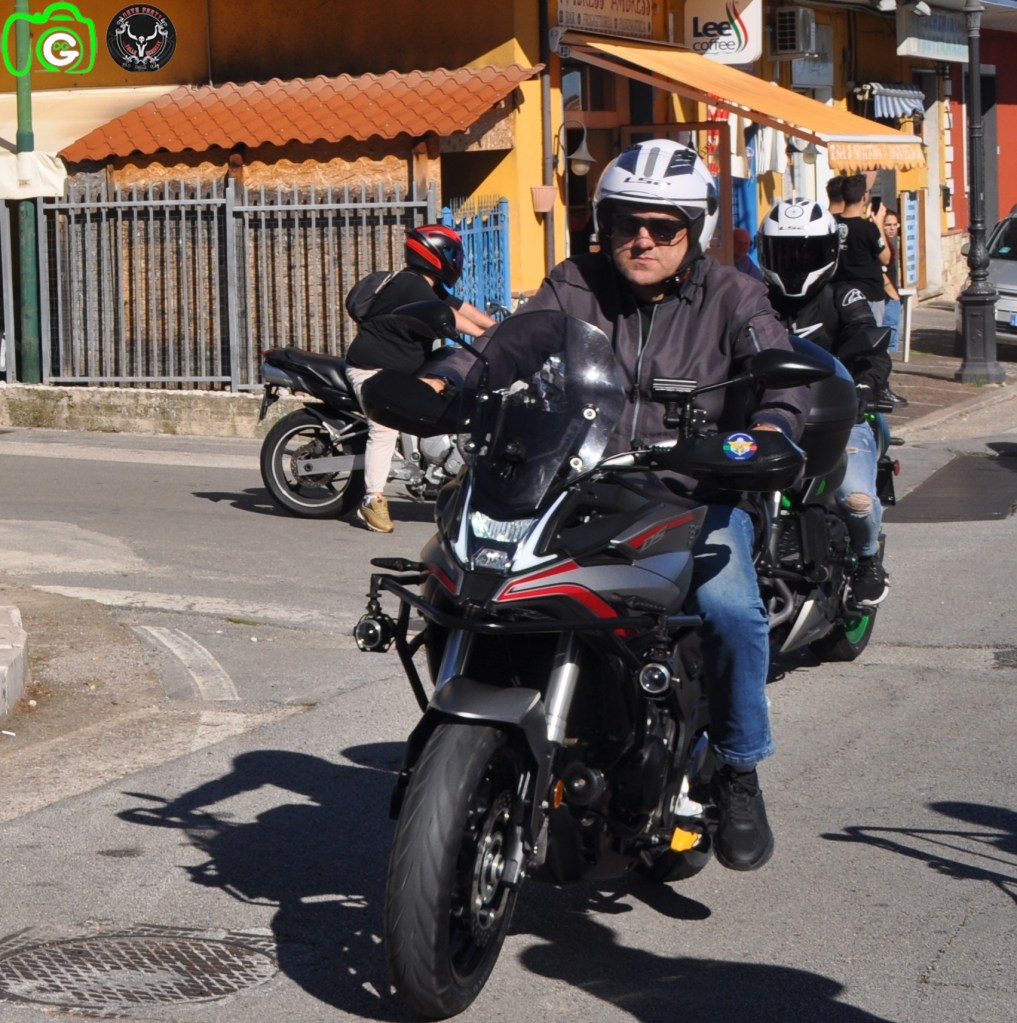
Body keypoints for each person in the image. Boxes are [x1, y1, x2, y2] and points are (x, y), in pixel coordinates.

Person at [417, 140, 812, 871]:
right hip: (573, 485)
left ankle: (737, 768)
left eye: (663, 227)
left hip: (691, 495)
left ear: (694, 231)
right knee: (462, 577)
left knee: (731, 612)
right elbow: (502, 349)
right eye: (628, 222)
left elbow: (780, 378)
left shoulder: (735, 296)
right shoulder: (575, 283)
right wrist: (441, 383)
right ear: (605, 222)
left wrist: (768, 431)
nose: (643, 239)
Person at [757, 198, 891, 606]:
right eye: (785, 253)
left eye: (808, 253)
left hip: (838, 418)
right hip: (767, 415)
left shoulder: (845, 296)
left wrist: (865, 386)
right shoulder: (753, 299)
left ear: (830, 252)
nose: (797, 262)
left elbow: (870, 347)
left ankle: (868, 559)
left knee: (856, 498)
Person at [344, 225, 495, 533]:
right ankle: (372, 499)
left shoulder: (427, 286)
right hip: (372, 372)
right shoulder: (410, 286)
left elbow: (463, 308)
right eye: (451, 253)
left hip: (404, 370)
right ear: (433, 252)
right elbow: (456, 319)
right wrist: (486, 337)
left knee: (453, 360)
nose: (456, 260)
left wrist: (501, 330)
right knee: (383, 426)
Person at [830, 174, 891, 326]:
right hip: (868, 293)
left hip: (838, 292)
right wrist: (879, 224)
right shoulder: (868, 228)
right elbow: (885, 258)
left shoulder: (831, 223)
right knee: (870, 336)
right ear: (864, 197)